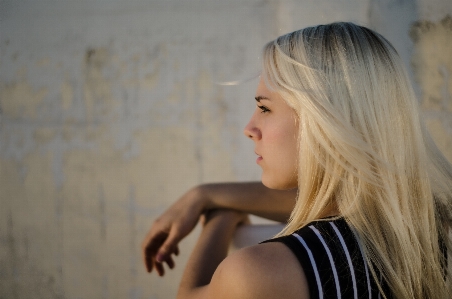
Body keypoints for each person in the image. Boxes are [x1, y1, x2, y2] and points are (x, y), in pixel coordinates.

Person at [142, 22, 452, 299]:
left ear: (322, 120)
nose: (248, 129)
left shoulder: (257, 273)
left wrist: (220, 218)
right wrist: (204, 194)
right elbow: (349, 199)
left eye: (264, 108)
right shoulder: (428, 223)